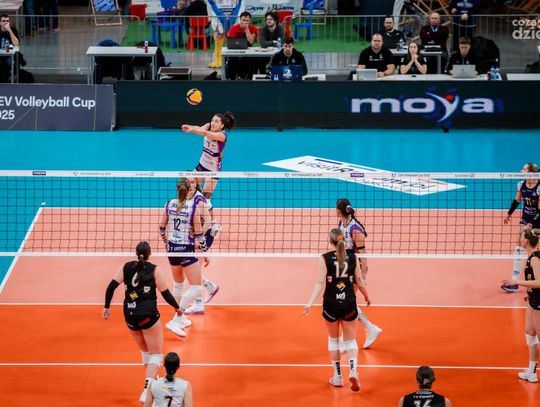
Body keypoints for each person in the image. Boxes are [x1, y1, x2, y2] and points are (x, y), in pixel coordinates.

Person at [102, 241, 184, 404]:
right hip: (148, 314)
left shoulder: (126, 267)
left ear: (136, 253)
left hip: (129, 314)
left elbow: (110, 287)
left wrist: (106, 307)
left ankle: (153, 382)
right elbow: (166, 293)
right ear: (149, 254)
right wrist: (177, 307)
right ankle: (147, 390)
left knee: (146, 351)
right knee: (157, 355)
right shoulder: (154, 269)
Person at [180, 112, 235, 313]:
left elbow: (205, 133)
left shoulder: (221, 136)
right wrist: (191, 128)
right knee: (190, 192)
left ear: (222, 126)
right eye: (212, 120)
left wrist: (194, 129)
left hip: (213, 172)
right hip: (201, 166)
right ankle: (206, 225)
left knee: (205, 200)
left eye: (216, 121)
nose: (212, 122)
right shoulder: (208, 126)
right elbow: (201, 130)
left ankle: (212, 226)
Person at [304, 228, 370, 391]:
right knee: (350, 341)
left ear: (330, 241)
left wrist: (309, 303)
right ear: (343, 241)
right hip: (349, 303)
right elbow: (359, 281)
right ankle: (353, 370)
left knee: (333, 340)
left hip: (331, 305)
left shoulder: (324, 258)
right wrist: (367, 297)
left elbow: (320, 282)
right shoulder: (353, 257)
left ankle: (338, 376)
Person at [159, 177, 210, 333]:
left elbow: (161, 228)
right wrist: (205, 253)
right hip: (186, 249)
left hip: (172, 249)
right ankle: (175, 320)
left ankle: (179, 319)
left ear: (177, 189)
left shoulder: (168, 204)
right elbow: (199, 235)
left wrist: (166, 243)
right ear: (189, 191)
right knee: (196, 288)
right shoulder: (193, 207)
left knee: (178, 284)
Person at [336, 198, 382, 349]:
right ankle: (371, 329)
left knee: (346, 302)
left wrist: (362, 275)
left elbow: (363, 253)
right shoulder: (341, 223)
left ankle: (346, 340)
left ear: (339, 211)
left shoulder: (354, 229)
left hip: (355, 267)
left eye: (336, 209)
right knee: (348, 302)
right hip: (346, 266)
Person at [502, 228, 540, 383]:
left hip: (539, 302)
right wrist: (529, 292)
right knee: (530, 333)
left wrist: (516, 282)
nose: (519, 239)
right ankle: (531, 372)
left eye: (521, 237)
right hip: (533, 299)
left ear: (526, 241)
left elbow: (539, 282)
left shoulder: (535, 259)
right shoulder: (531, 257)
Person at [501, 163, 540, 293]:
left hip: (538, 220)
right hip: (525, 219)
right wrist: (509, 214)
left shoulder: (539, 188)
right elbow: (517, 200)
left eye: (524, 169)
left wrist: (533, 223)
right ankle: (515, 281)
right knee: (519, 245)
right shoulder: (521, 184)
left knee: (536, 249)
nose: (520, 170)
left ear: (531, 172)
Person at [225, 11, 258, 79]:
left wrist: (246, 29)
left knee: (250, 60)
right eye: (243, 20)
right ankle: (232, 79)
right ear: (240, 20)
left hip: (248, 51)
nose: (245, 22)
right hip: (235, 51)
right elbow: (231, 42)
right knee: (232, 60)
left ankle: (246, 78)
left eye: (247, 20)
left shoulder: (253, 28)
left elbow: (251, 42)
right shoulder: (233, 28)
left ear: (250, 21)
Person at [0, 14, 20, 83]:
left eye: (7, 21)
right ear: (0, 23)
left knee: (9, 62)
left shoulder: (13, 30)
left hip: (9, 55)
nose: (6, 23)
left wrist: (9, 31)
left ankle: (8, 79)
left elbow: (16, 43)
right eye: (3, 21)